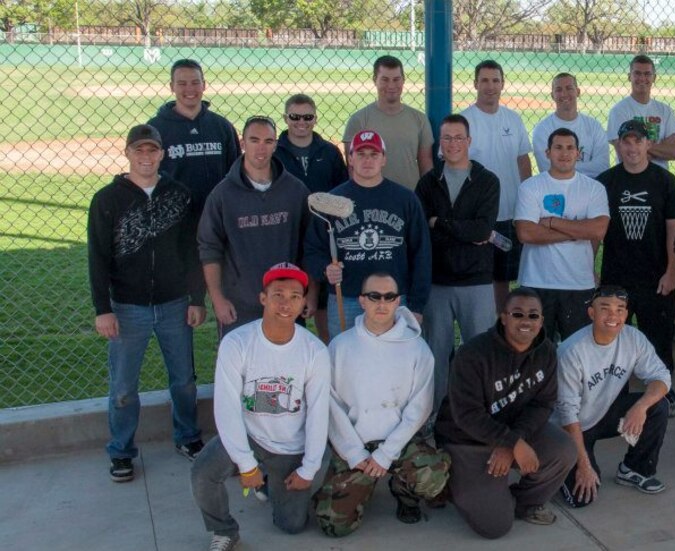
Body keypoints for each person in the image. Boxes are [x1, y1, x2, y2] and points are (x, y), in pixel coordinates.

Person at [88, 124, 206, 481]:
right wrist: (103, 309)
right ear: (127, 153)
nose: (146, 157)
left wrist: (196, 299)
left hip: (173, 302)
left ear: (162, 154)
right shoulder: (108, 199)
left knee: (184, 378)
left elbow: (191, 251)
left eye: (152, 150)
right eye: (139, 150)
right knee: (124, 386)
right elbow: (97, 258)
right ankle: (121, 450)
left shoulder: (180, 195)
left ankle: (187, 436)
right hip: (127, 306)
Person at [190, 263, 330, 551]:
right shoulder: (237, 342)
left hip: (290, 445)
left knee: (291, 525)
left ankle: (267, 482)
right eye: (277, 294)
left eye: (295, 296)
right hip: (249, 434)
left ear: (304, 302)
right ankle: (224, 530)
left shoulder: (315, 350)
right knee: (203, 472)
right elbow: (227, 406)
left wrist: (309, 468)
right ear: (263, 298)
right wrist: (245, 462)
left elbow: (319, 412)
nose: (286, 303)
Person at [434, 288, 578, 539]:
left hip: (512, 430)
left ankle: (523, 502)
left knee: (564, 449)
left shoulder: (546, 351)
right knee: (495, 528)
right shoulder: (472, 354)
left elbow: (543, 404)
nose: (526, 321)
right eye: (518, 314)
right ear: (503, 317)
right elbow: (467, 415)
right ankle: (454, 481)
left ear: (542, 320)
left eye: (533, 316)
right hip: (466, 440)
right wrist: (511, 442)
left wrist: (513, 442)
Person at [314, 273, 451, 536]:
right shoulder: (340, 347)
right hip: (356, 442)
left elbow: (419, 408)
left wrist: (386, 454)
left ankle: (404, 493)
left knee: (433, 482)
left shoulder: (417, 348)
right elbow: (332, 407)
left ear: (398, 301)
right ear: (362, 300)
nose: (382, 302)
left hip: (400, 442)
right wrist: (355, 453)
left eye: (389, 297)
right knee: (333, 526)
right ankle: (358, 487)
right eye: (374, 296)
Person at [304, 130, 431, 340]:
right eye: (361, 154)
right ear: (350, 158)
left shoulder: (404, 200)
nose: (367, 160)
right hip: (347, 297)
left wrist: (417, 305)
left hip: (393, 299)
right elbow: (313, 249)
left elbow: (421, 254)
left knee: (395, 359)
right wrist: (325, 269)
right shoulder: (333, 202)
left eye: (373, 154)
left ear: (384, 159)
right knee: (346, 359)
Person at [597, 119, 675, 416]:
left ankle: (663, 393)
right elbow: (597, 231)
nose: (632, 147)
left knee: (658, 337)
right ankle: (614, 397)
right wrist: (589, 268)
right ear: (619, 145)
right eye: (626, 141)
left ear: (648, 144)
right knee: (613, 337)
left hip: (655, 276)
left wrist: (672, 270)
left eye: (638, 141)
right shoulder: (606, 182)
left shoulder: (665, 182)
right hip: (616, 276)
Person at [555, 286, 671, 507]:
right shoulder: (572, 352)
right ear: (591, 313)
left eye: (620, 310)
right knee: (582, 498)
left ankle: (634, 469)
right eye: (605, 309)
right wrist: (584, 465)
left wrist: (640, 407)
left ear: (626, 315)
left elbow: (661, 376)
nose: (613, 316)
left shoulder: (633, 337)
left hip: (602, 415)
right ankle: (557, 469)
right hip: (571, 428)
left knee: (658, 405)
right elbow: (567, 413)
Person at [198, 116, 313, 335]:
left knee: (286, 367)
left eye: (268, 141)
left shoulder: (295, 191)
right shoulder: (222, 194)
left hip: (287, 300)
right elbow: (209, 250)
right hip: (240, 304)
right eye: (254, 140)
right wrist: (218, 299)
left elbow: (309, 245)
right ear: (243, 143)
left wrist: (311, 293)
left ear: (275, 145)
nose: (261, 148)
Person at [415, 114, 500, 409]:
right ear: (440, 144)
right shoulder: (428, 183)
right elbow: (424, 233)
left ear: (469, 141)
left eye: (458, 137)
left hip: (475, 279)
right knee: (435, 355)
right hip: (438, 281)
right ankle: (435, 417)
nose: (452, 144)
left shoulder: (487, 181)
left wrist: (441, 222)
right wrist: (460, 229)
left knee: (480, 354)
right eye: (447, 138)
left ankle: (481, 414)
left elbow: (482, 230)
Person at [515, 128, 609, 341]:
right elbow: (526, 232)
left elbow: (597, 230)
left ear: (578, 153)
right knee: (536, 349)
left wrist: (551, 222)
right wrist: (576, 230)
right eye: (558, 147)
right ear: (547, 152)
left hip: (578, 283)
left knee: (575, 350)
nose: (564, 153)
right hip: (537, 281)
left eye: (570, 148)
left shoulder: (594, 188)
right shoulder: (531, 187)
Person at [274, 93, 349, 342]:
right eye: (295, 117)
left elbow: (342, 195)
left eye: (307, 117)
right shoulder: (276, 153)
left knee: (324, 308)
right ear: (286, 118)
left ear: (315, 119)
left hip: (323, 236)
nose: (301, 122)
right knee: (289, 302)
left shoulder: (328, 152)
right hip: (287, 234)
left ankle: (326, 354)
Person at [461, 60, 532, 312]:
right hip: (478, 217)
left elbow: (523, 160)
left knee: (503, 277)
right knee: (479, 278)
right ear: (475, 84)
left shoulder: (513, 119)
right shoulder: (464, 121)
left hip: (509, 212)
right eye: (484, 80)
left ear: (502, 83)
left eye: (495, 80)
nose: (490, 86)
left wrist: (526, 204)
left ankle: (503, 324)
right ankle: (481, 328)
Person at [147, 58, 240, 213]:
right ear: (172, 87)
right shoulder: (156, 128)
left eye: (195, 82)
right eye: (182, 83)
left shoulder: (222, 126)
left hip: (216, 215)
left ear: (204, 85)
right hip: (174, 219)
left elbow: (235, 173)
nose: (190, 89)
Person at [342, 55, 433, 190]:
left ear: (403, 81)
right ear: (375, 80)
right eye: (384, 80)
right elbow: (352, 168)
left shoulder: (419, 119)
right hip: (372, 198)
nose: (391, 86)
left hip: (410, 197)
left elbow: (426, 165)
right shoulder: (359, 120)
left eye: (396, 79)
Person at [606, 54, 675, 170]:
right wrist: (662, 147)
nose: (642, 78)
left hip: (659, 177)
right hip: (629, 178)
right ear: (629, 77)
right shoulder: (619, 111)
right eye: (637, 73)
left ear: (654, 78)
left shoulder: (665, 111)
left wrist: (638, 149)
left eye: (647, 74)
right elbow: (625, 156)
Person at [531, 73, 610, 179]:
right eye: (559, 90)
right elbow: (547, 169)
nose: (564, 94)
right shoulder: (542, 129)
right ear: (552, 95)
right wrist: (588, 168)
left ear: (578, 92)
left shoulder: (594, 127)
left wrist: (563, 167)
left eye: (569, 88)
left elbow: (602, 167)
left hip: (589, 189)